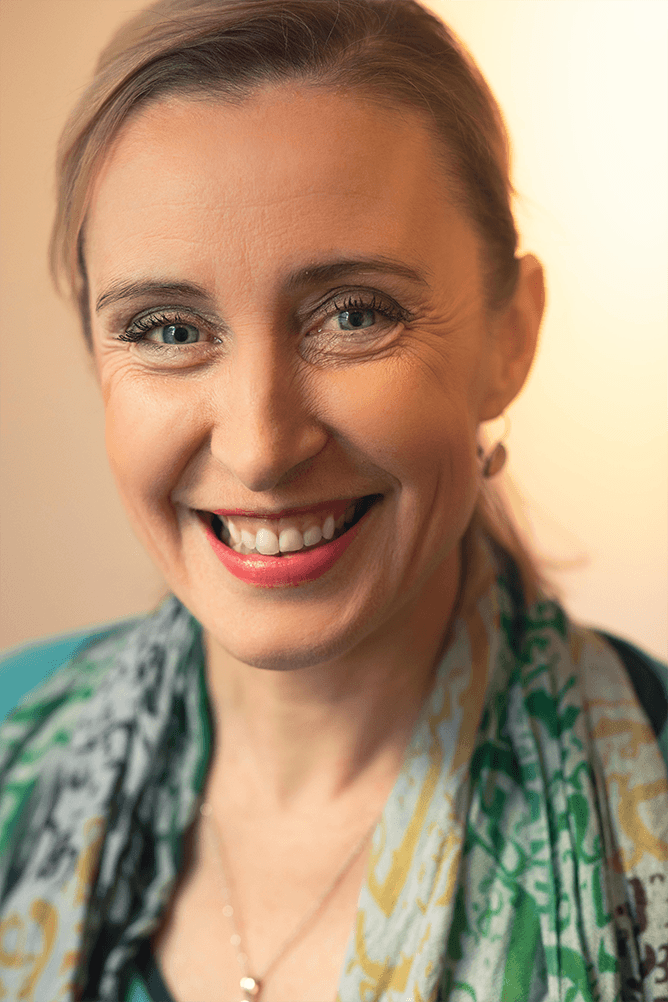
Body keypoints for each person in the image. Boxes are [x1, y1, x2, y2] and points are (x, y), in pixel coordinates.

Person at [1, 0, 667, 999]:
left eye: (354, 315)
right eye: (168, 330)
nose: (261, 448)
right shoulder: (11, 731)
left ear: (509, 338)